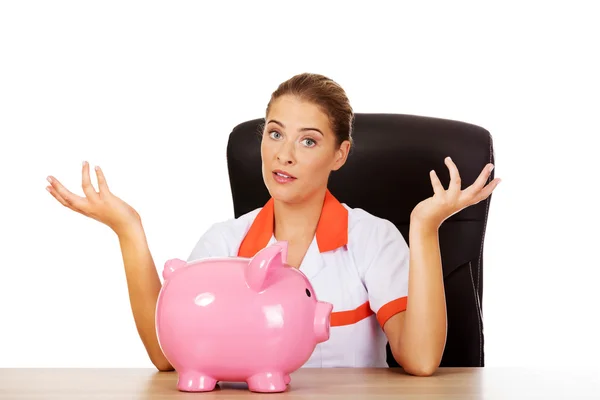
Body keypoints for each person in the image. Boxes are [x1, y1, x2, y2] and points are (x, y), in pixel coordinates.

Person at [45, 73, 501, 376]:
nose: (284, 154)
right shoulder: (225, 242)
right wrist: (129, 230)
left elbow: (420, 360)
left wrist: (423, 228)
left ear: (339, 154)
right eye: (275, 132)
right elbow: (170, 357)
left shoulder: (371, 238)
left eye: (308, 140)